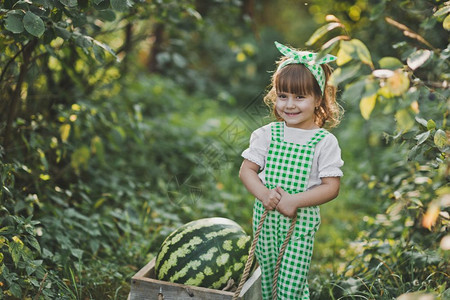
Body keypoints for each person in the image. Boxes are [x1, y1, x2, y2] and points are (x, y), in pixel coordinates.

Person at [239, 41, 344, 300]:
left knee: (291, 284)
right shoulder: (266, 134)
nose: (289, 104)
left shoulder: (323, 141)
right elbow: (246, 171)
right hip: (266, 218)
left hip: (299, 222)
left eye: (300, 97)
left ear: (318, 98)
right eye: (283, 96)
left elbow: (331, 186)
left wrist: (294, 201)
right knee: (268, 277)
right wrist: (264, 195)